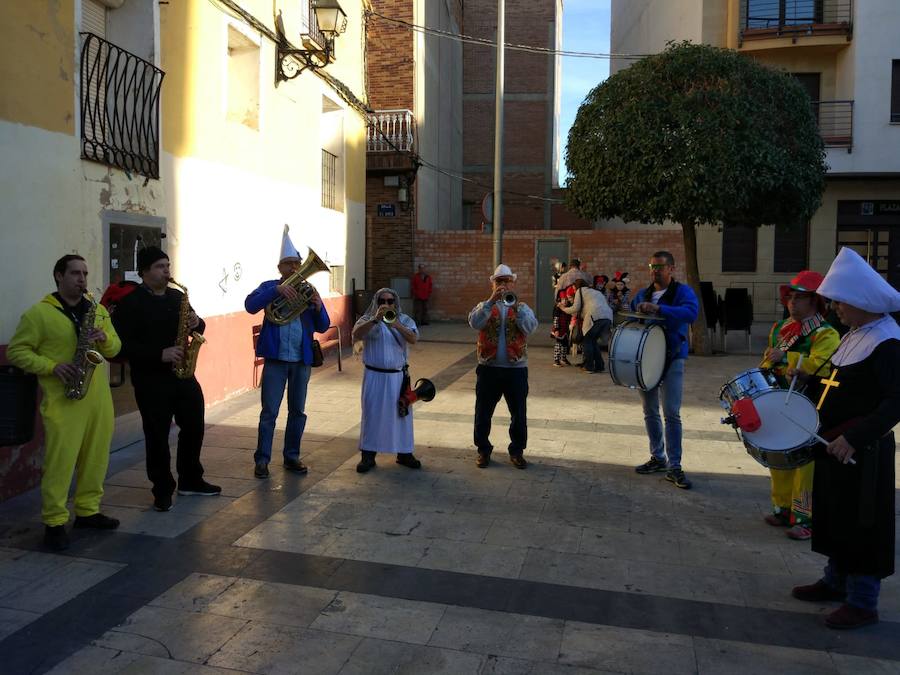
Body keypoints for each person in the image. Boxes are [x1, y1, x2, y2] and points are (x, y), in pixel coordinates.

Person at [790, 247, 900, 630]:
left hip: (862, 453)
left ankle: (863, 601)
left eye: (840, 301)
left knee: (862, 526)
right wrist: (811, 380)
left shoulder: (887, 342)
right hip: (833, 447)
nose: (834, 307)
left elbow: (895, 401)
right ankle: (835, 582)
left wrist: (854, 437)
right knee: (836, 515)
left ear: (862, 301)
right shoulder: (855, 334)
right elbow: (843, 385)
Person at [8, 255, 122, 550]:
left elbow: (116, 346)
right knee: (60, 463)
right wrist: (51, 366)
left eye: (84, 273)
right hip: (63, 400)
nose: (82, 279)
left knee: (96, 459)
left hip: (97, 399)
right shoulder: (38, 314)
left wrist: (104, 339)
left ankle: (88, 511)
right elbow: (17, 352)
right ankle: (55, 521)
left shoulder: (96, 310)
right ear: (59, 276)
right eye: (75, 273)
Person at [113, 247, 220, 512]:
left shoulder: (177, 296)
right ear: (145, 271)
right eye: (160, 266)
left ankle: (190, 479)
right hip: (151, 379)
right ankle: (162, 489)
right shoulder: (131, 303)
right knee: (157, 435)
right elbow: (120, 347)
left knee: (194, 426)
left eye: (168, 265)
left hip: (183, 374)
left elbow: (198, 327)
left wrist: (197, 322)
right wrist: (158, 354)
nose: (167, 271)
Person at [759, 271, 840, 541]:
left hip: (808, 405)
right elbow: (768, 361)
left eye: (800, 298)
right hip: (780, 400)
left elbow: (823, 363)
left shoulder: (826, 333)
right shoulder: (780, 329)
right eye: (790, 297)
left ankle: (804, 518)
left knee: (805, 465)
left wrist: (788, 357)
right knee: (778, 456)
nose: (792, 303)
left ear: (815, 302)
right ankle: (782, 508)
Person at [244, 228, 330, 479]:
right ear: (279, 267)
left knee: (297, 411)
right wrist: (277, 291)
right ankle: (262, 460)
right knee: (269, 412)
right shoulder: (269, 286)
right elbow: (250, 306)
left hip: (301, 361)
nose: (294, 268)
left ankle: (292, 456)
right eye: (288, 264)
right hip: (276, 361)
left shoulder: (308, 290)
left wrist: (317, 306)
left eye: (297, 263)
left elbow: (323, 325)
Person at [632, 251, 699, 489]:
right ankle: (658, 457)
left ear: (671, 268)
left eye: (660, 266)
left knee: (671, 413)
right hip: (647, 360)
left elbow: (691, 313)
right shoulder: (643, 293)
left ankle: (675, 465)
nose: (655, 271)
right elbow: (630, 314)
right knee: (650, 410)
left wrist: (660, 310)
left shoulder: (683, 292)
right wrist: (637, 308)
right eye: (652, 266)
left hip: (672, 359)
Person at [468, 264, 538, 469]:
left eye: (507, 281)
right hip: (488, 368)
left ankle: (517, 451)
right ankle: (483, 450)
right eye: (499, 281)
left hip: (516, 369)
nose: (503, 285)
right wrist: (490, 302)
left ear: (512, 283)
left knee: (518, 413)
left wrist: (516, 308)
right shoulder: (484, 305)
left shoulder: (522, 307)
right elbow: (474, 323)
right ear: (493, 284)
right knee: (483, 412)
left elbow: (530, 328)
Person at [352, 288, 420, 473]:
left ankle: (404, 453)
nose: (386, 304)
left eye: (390, 301)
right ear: (377, 301)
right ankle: (368, 455)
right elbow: (357, 334)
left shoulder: (404, 319)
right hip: (374, 375)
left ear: (395, 303)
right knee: (372, 414)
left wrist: (395, 324)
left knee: (401, 415)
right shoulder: (367, 319)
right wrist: (376, 319)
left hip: (398, 377)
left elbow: (413, 338)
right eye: (382, 300)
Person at [559, 279, 613, 373]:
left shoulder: (580, 291)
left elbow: (575, 308)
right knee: (593, 341)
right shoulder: (596, 291)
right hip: (608, 317)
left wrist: (563, 308)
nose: (574, 291)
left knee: (587, 341)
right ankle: (600, 366)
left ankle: (589, 367)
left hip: (595, 316)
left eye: (574, 288)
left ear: (577, 287)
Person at [550, 287, 572, 367]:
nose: (565, 301)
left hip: (565, 329)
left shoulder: (568, 308)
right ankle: (556, 360)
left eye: (566, 299)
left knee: (565, 344)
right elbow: (555, 319)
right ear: (560, 300)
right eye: (563, 299)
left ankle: (563, 358)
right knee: (558, 344)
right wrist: (556, 329)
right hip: (559, 329)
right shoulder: (558, 308)